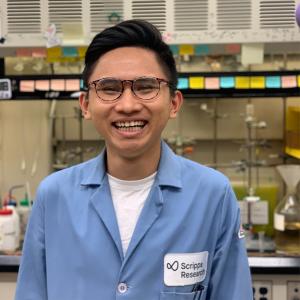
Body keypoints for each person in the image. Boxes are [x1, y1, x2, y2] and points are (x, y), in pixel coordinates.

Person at [15, 19, 253, 300]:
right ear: (86, 105)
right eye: (109, 87)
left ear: (174, 103)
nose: (128, 105)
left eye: (146, 86)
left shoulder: (212, 195)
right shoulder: (54, 196)